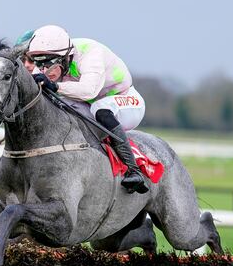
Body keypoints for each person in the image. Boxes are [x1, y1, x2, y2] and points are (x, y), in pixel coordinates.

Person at [22, 25, 149, 194]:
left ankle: (134, 170)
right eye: (39, 64)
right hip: (89, 102)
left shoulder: (90, 53)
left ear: (65, 58)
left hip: (125, 100)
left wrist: (55, 86)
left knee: (100, 108)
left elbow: (89, 90)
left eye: (49, 64)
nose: (44, 70)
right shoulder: (49, 61)